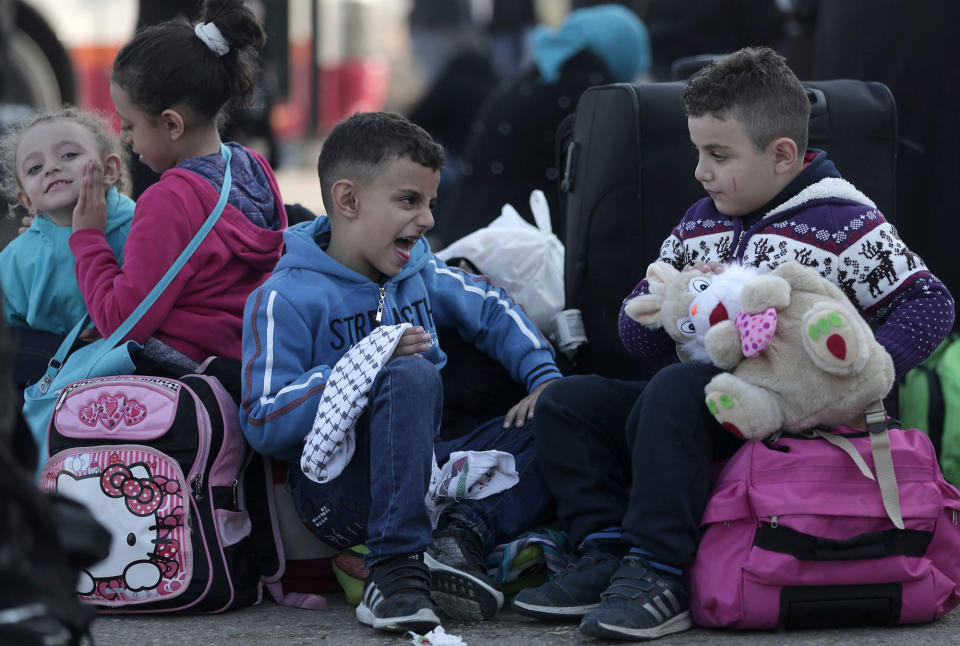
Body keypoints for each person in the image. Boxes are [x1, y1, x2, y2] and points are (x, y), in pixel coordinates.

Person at [512, 47, 955, 640]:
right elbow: (633, 333)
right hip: (701, 407)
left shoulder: (844, 219)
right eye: (698, 152)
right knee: (570, 401)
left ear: (782, 155)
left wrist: (855, 378)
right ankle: (606, 549)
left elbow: (930, 305)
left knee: (674, 389)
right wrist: (674, 314)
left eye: (719, 155)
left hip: (791, 416)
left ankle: (659, 571)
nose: (701, 171)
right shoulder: (701, 220)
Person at [239, 112, 562, 633]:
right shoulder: (284, 298)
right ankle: (393, 572)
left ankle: (459, 540)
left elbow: (493, 308)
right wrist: (364, 367)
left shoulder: (419, 271)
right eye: (410, 201)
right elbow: (262, 419)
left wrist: (544, 377)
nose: (429, 219)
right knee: (408, 374)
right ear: (348, 201)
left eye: (431, 203)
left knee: (568, 412)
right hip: (339, 495)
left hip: (428, 474)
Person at [69, 0, 287, 371]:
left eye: (129, 124)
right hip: (248, 363)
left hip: (183, 371)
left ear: (172, 124)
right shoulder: (254, 168)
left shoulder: (169, 201)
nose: (123, 138)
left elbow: (121, 323)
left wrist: (88, 238)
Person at [435, 3, 651, 248]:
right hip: (516, 252)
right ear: (622, 47)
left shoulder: (536, 76)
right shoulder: (592, 90)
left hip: (468, 234)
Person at [0, 107, 134, 395]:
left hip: (127, 370)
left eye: (69, 155)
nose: (51, 168)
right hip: (47, 384)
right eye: (35, 168)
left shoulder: (141, 226)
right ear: (27, 200)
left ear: (109, 168)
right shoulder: (15, 259)